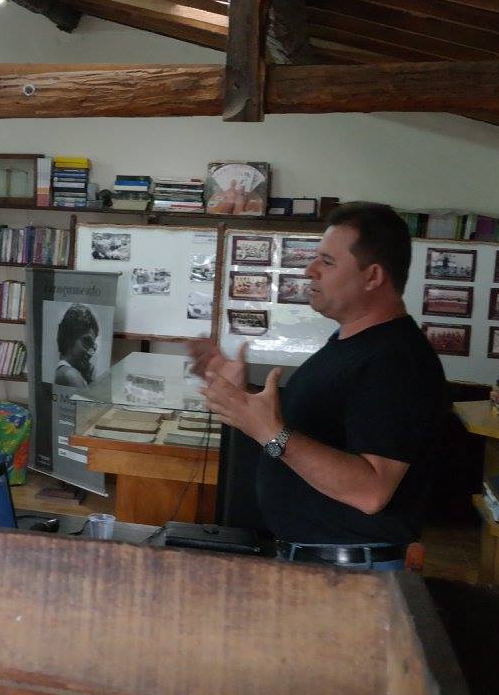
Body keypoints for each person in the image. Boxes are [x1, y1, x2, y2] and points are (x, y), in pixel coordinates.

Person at [191, 202, 448, 571]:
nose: (309, 270)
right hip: (318, 563)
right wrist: (243, 398)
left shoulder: (396, 360)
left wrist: (270, 432)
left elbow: (371, 490)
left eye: (327, 262)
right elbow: (315, 429)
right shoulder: (351, 345)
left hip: (352, 571)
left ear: (373, 276)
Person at [54, 304, 100, 388]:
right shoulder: (70, 375)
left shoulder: (64, 371)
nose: (90, 353)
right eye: (86, 342)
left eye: (92, 346)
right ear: (70, 337)